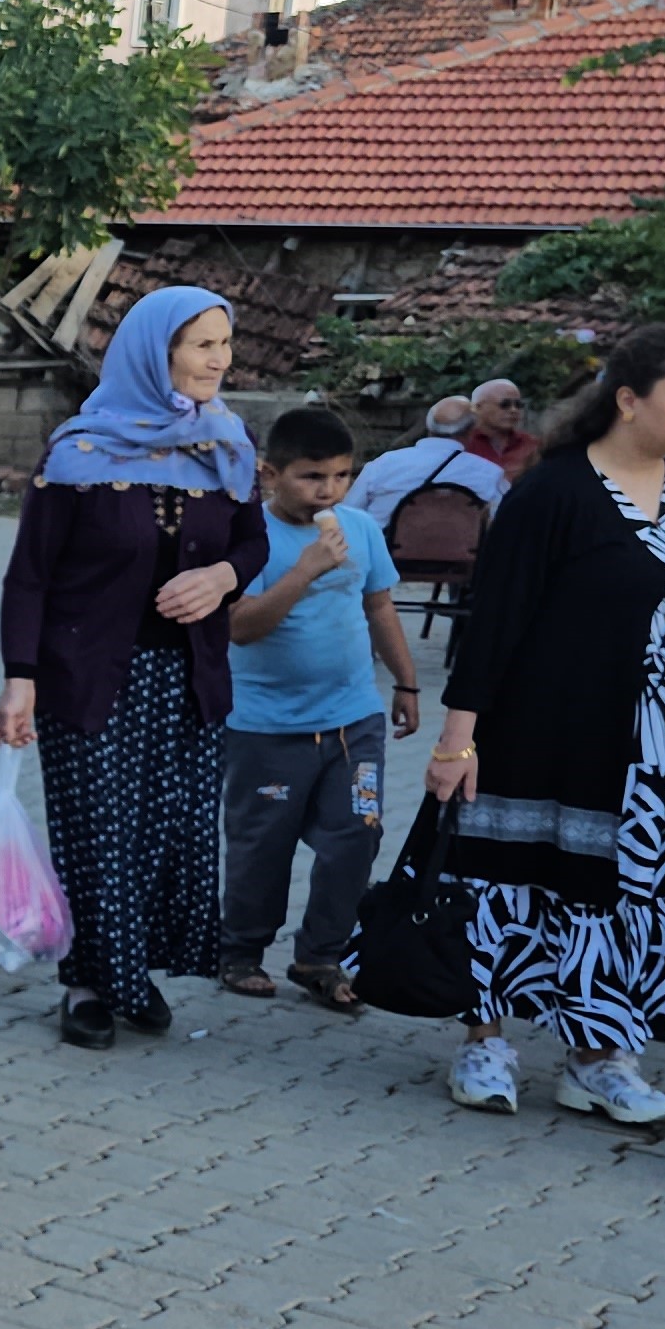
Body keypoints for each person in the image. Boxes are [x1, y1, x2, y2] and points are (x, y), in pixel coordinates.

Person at [430, 324, 665, 1124]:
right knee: (507, 887)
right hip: (542, 735)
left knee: (624, 899)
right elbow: (496, 620)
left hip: (660, 749)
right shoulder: (553, 492)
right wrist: (456, 740)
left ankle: (599, 1056)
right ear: (627, 398)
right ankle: (484, 1043)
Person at [0, 289, 269, 1051]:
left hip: (188, 679)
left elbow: (252, 544)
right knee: (96, 833)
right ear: (156, 352)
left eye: (225, 343)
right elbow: (29, 576)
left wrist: (221, 578)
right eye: (201, 345)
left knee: (164, 834)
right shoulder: (79, 451)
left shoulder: (228, 444)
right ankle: (87, 982)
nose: (220, 359)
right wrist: (21, 674)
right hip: (87, 674)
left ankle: (130, 970)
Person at [216, 407, 418, 1015]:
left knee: (358, 835)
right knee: (263, 844)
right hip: (267, 727)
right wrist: (305, 570)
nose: (328, 490)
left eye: (340, 475)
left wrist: (406, 684)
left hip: (353, 721)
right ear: (269, 473)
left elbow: (380, 607)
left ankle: (320, 957)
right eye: (311, 477)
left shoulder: (359, 528)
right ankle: (240, 949)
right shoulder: (247, 535)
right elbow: (242, 628)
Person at [347, 395, 508, 529]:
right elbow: (505, 525)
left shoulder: (383, 464)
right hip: (460, 564)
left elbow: (347, 516)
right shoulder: (491, 475)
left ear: (428, 426)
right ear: (472, 431)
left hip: (385, 562)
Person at [468, 377, 540, 481]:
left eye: (518, 405)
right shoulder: (462, 445)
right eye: (505, 404)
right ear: (478, 407)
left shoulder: (532, 445)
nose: (513, 410)